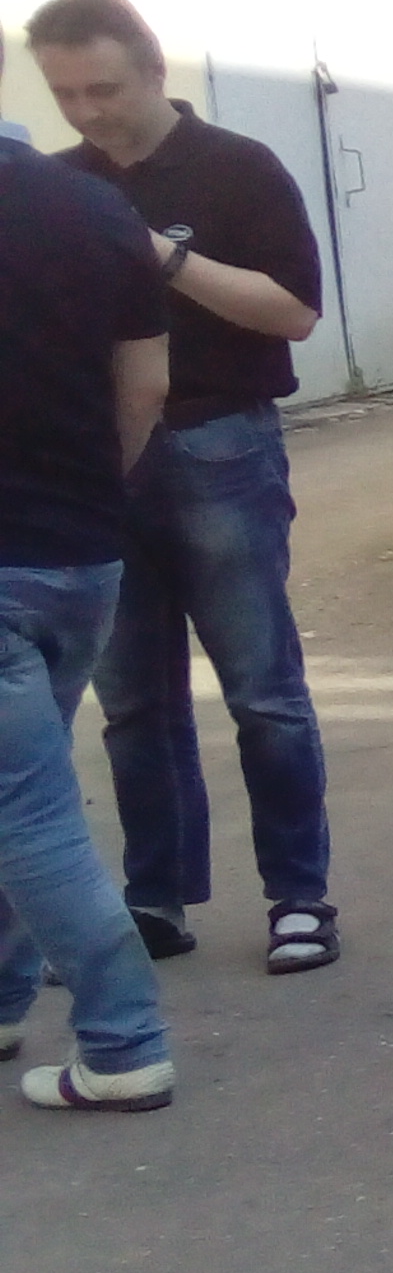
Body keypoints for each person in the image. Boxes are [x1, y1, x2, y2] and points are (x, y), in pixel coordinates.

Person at [25, 0, 338, 977]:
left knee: (262, 691)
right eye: (66, 95)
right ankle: (156, 898)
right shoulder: (59, 186)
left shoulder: (239, 168)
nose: (88, 112)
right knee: (132, 704)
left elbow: (294, 312)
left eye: (104, 89)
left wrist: (163, 257)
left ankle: (299, 897)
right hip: (103, 463)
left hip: (219, 447)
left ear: (154, 71)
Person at [0, 125, 180, 1111]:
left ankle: (122, 1044)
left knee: (27, 810)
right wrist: (89, 496)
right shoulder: (95, 207)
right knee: (19, 791)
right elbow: (146, 385)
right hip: (80, 558)